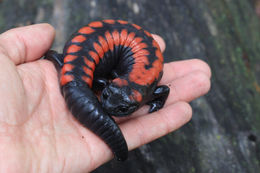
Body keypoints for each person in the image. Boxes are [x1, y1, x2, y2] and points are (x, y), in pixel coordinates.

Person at [0, 24, 211, 172]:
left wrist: (156, 101)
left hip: (94, 50)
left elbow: (162, 92)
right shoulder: (126, 83)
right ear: (114, 81)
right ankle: (65, 66)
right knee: (79, 70)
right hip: (91, 46)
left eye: (123, 108)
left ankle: (61, 63)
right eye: (107, 93)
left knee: (75, 70)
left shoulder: (148, 88)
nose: (107, 105)